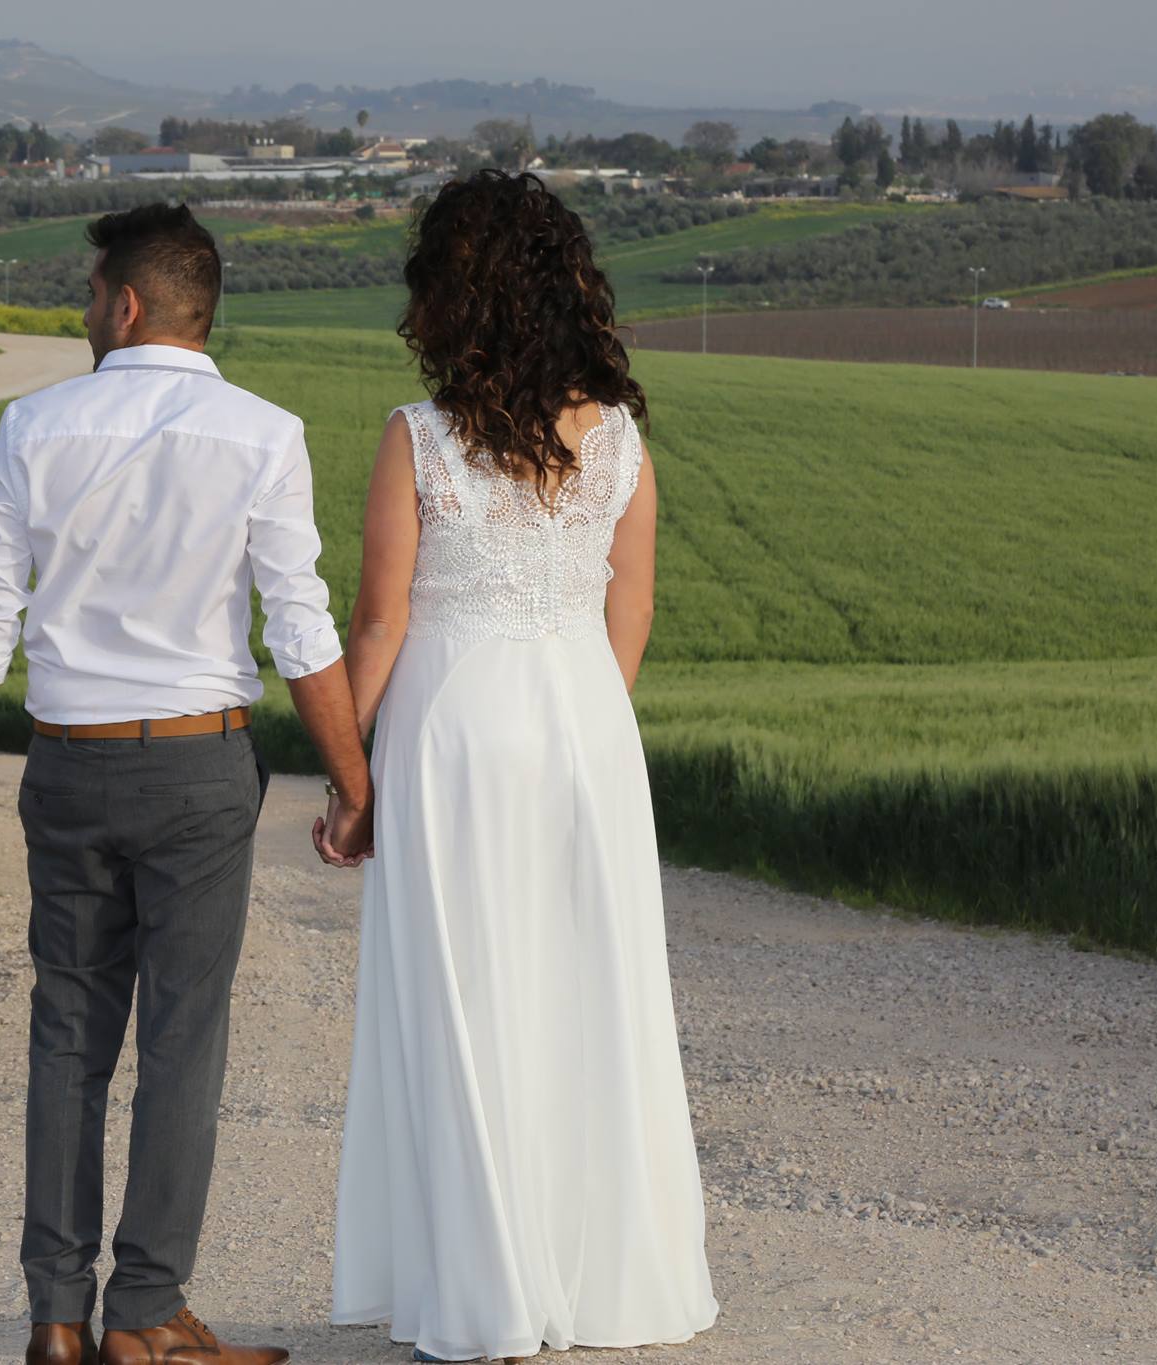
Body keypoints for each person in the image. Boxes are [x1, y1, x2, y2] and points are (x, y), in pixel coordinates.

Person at [0, 202, 375, 1365]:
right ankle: (145, 1316)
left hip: (66, 766)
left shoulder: (31, 425)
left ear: (123, 305)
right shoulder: (264, 433)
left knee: (66, 1034)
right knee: (183, 1040)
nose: (83, 314)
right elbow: (300, 627)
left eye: (88, 296)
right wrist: (348, 778)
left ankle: (55, 1318)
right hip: (199, 769)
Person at [328, 171, 720, 1360]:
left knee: (462, 999)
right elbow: (630, 604)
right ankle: (597, 1280)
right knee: (585, 998)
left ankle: (483, 1288)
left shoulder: (420, 437)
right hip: (586, 724)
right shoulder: (620, 439)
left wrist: (348, 779)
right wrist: (587, 723)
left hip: (454, 726)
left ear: (452, 296)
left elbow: (381, 625)